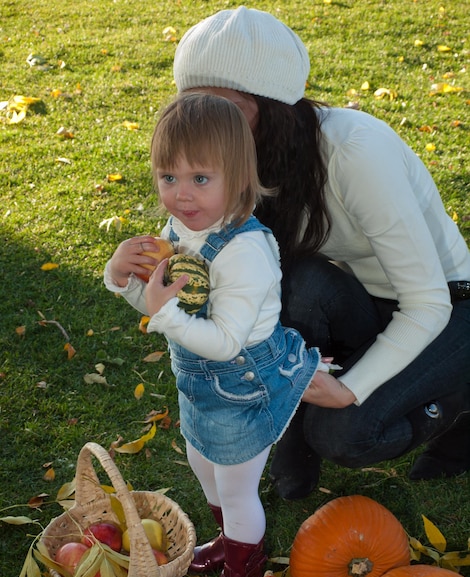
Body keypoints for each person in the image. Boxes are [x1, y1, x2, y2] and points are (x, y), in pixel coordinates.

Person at [171, 6, 470, 501]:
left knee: (345, 433)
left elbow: (429, 302)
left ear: (266, 108)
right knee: (293, 284)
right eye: (194, 108)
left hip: (448, 308)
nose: (205, 131)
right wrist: (144, 265)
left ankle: (458, 403)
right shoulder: (238, 155)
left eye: (223, 110)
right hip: (362, 302)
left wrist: (349, 390)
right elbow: (195, 250)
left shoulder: (353, 149)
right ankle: (291, 457)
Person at [104, 93, 326, 577]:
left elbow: (226, 340)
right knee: (202, 463)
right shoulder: (179, 232)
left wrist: (166, 315)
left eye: (200, 179)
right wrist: (120, 277)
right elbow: (158, 301)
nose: (181, 195)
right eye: (168, 177)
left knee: (235, 484)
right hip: (201, 384)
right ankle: (229, 544)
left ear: (239, 177)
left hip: (246, 381)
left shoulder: (245, 251)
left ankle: (243, 576)